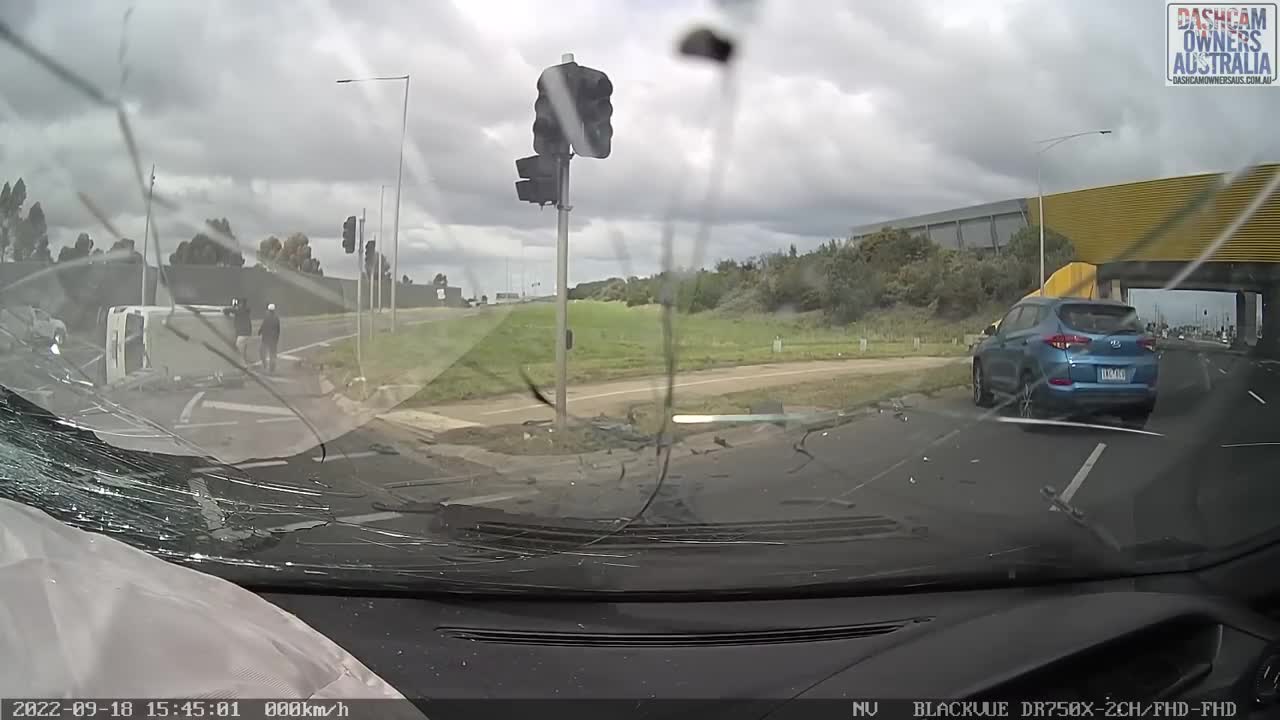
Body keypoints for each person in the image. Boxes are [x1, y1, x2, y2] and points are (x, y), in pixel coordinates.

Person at [223, 297, 252, 364]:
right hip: (247, 333)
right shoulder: (245, 310)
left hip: (243, 333)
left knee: (238, 350)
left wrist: (233, 307)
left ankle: (243, 366)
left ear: (241, 304)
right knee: (243, 350)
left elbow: (225, 310)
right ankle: (245, 364)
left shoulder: (240, 310)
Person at [259, 303, 281, 373]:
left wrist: (260, 331)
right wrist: (277, 338)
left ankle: (265, 364)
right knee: (272, 353)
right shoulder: (276, 318)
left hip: (266, 338)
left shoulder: (267, 317)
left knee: (262, 351)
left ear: (268, 310)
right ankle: (272, 368)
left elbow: (263, 325)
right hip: (273, 339)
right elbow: (278, 329)